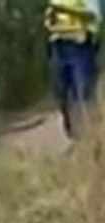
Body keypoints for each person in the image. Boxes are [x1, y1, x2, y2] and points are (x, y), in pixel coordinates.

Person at [46, 0, 101, 139]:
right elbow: (50, 18)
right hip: (58, 45)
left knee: (83, 91)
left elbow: (94, 16)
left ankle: (94, 137)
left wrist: (67, 11)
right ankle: (75, 137)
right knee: (61, 93)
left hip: (79, 46)